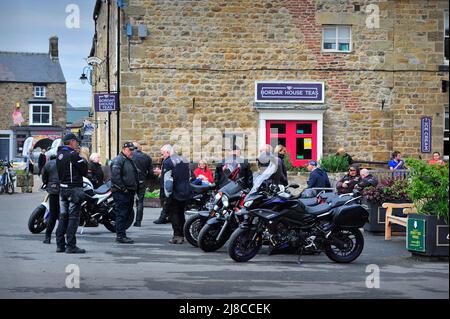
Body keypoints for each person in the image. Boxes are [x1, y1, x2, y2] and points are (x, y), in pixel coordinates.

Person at [55, 133, 88, 254]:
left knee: (63, 217)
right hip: (73, 189)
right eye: (76, 142)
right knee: (73, 218)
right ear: (72, 142)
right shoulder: (73, 154)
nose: (77, 144)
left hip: (63, 188)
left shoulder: (59, 154)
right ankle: (71, 245)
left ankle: (60, 244)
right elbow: (84, 169)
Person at [154, 145, 193, 244]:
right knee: (181, 213)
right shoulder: (184, 160)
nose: (162, 156)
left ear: (168, 152)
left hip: (175, 192)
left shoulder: (167, 162)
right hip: (185, 190)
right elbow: (189, 175)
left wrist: (167, 195)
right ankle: (183, 234)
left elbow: (167, 181)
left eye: (163, 154)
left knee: (174, 214)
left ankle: (177, 236)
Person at [110, 142, 139, 244]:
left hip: (128, 191)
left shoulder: (128, 160)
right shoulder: (119, 160)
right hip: (121, 192)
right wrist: (123, 189)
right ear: (124, 149)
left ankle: (122, 234)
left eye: (132, 150)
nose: (132, 152)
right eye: (130, 150)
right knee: (121, 214)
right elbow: (115, 177)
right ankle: (120, 236)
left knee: (126, 214)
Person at [132, 142, 153, 227]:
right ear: (140, 148)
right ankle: (138, 221)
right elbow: (151, 172)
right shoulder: (147, 157)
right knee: (140, 202)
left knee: (128, 201)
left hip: (131, 181)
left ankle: (127, 219)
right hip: (142, 181)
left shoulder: (130, 156)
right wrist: (146, 177)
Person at [41, 154, 60, 244]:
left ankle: (47, 237)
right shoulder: (62, 162)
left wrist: (47, 183)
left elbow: (44, 176)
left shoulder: (48, 164)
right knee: (63, 215)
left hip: (53, 189)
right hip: (64, 189)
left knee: (53, 214)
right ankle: (60, 237)